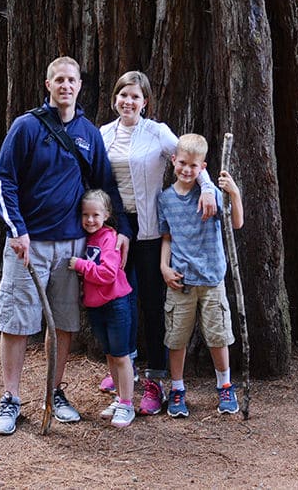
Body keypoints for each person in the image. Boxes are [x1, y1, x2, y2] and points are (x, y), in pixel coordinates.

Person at [0, 56, 131, 436]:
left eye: (72, 80)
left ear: (80, 86)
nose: (66, 86)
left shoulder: (88, 133)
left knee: (64, 323)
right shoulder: (26, 128)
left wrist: (123, 227)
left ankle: (54, 392)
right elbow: (4, 182)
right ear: (48, 84)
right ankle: (12, 398)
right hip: (28, 244)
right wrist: (16, 228)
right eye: (59, 80)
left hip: (72, 247)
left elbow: (104, 185)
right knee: (18, 321)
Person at [99, 71, 217, 415]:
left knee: (151, 305)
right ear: (115, 98)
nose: (128, 102)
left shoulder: (157, 133)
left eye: (135, 97)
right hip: (115, 230)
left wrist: (207, 188)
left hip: (149, 230)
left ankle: (155, 381)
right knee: (119, 301)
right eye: (123, 95)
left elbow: (188, 158)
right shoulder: (104, 134)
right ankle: (125, 369)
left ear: (145, 102)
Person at [158, 133, 244, 417]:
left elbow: (237, 223)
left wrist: (234, 193)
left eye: (193, 166)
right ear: (173, 161)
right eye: (182, 163)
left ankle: (225, 385)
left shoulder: (211, 195)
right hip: (180, 281)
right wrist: (164, 267)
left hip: (211, 279)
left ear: (202, 167)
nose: (186, 169)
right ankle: (178, 388)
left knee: (218, 335)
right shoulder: (166, 199)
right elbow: (167, 237)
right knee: (176, 337)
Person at [68, 189, 136, 428]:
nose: (90, 220)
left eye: (95, 214)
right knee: (110, 355)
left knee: (121, 355)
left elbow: (107, 274)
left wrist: (81, 265)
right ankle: (119, 399)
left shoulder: (109, 238)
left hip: (115, 303)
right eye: (85, 215)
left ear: (106, 214)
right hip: (96, 306)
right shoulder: (86, 239)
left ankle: (127, 404)